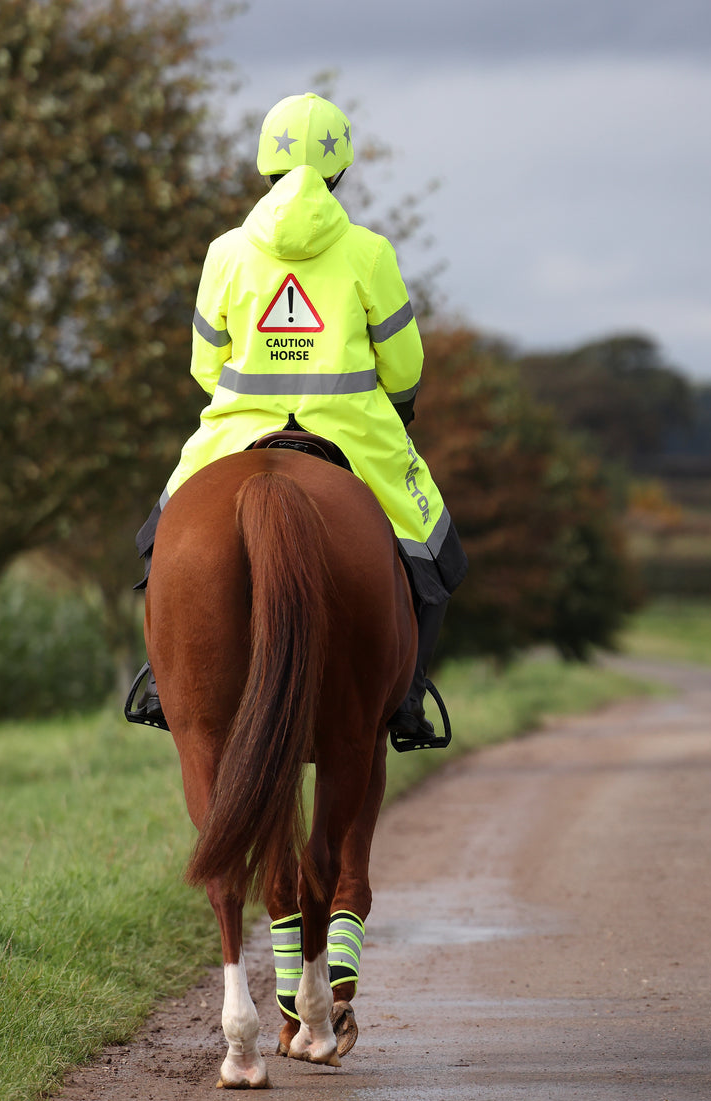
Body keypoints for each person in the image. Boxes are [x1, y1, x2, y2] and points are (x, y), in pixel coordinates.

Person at [134, 92, 466, 743]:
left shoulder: (225, 252)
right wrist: (392, 404)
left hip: (233, 434)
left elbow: (205, 366)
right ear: (340, 168)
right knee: (437, 554)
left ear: (264, 164)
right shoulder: (368, 252)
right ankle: (406, 698)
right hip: (353, 434)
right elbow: (403, 365)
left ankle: (162, 682)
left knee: (155, 546)